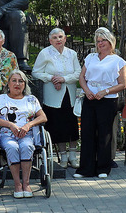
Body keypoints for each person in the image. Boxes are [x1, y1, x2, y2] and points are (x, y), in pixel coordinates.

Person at [74, 27, 126, 179]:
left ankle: (103, 167)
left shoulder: (118, 61)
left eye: (103, 40)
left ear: (110, 42)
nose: (100, 43)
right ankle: (86, 168)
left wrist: (106, 91)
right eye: (98, 41)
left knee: (104, 134)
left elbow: (122, 84)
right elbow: (82, 77)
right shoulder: (90, 57)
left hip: (108, 100)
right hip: (90, 99)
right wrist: (86, 91)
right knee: (87, 132)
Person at [0, 70, 47, 198]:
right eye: (14, 80)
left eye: (21, 81)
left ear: (25, 85)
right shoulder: (1, 99)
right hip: (6, 135)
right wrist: (10, 124)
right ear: (8, 84)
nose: (17, 84)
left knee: (27, 147)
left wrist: (28, 125)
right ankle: (17, 185)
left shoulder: (31, 99)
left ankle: (26, 184)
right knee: (12, 147)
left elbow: (43, 117)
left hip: (26, 134)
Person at [32, 27, 81, 168]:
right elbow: (36, 72)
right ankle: (63, 157)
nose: (58, 40)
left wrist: (63, 79)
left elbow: (78, 73)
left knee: (72, 126)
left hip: (69, 94)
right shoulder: (44, 53)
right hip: (53, 96)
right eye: (55, 38)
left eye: (60, 37)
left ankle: (73, 156)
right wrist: (51, 78)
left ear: (65, 39)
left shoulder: (72, 54)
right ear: (50, 40)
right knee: (58, 126)